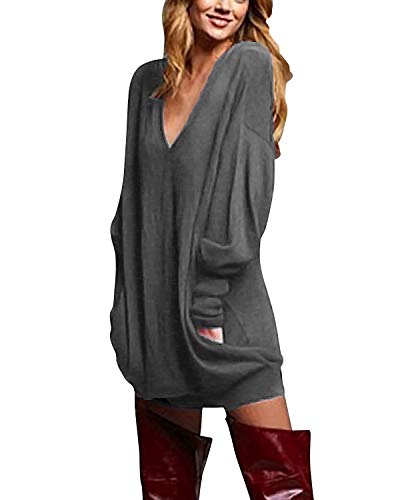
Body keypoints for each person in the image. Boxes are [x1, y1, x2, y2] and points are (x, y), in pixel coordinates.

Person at [110, 0, 315, 498]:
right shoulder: (146, 84)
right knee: (168, 488)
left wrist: (204, 309)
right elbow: (132, 210)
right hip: (156, 317)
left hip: (221, 312)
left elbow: (242, 207)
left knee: (281, 485)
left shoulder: (248, 66)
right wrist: (129, 312)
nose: (225, 4)